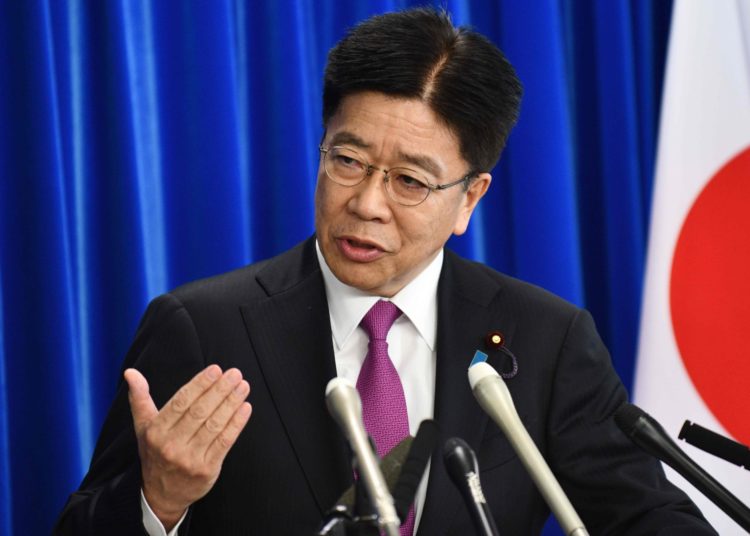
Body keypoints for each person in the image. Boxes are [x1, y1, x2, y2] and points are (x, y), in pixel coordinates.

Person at [55, 8, 716, 535]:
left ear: (470, 198)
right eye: (347, 160)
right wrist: (157, 501)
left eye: (409, 181)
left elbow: (648, 519)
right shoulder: (204, 329)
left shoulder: (543, 338)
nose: (366, 204)